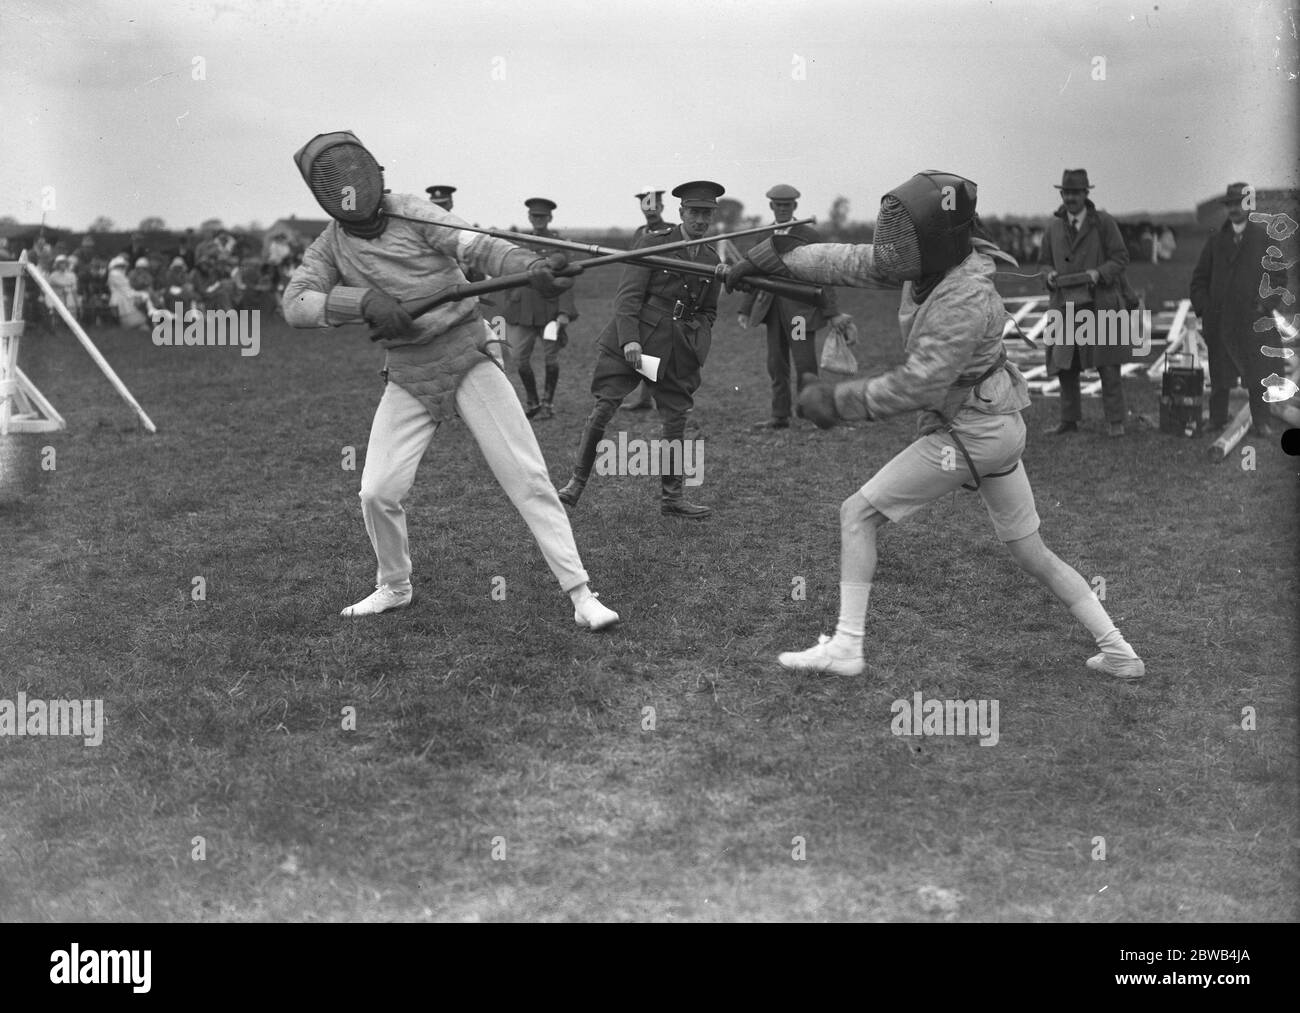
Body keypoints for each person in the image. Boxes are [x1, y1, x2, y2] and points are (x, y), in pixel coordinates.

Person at [725, 170, 1145, 681]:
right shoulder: (930, 259)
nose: (894, 254)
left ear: (933, 239)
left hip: (974, 431)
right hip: (998, 424)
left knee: (857, 514)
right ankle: (1120, 651)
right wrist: (774, 258)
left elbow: (918, 385)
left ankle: (846, 647)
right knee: (1032, 553)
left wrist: (837, 400)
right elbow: (854, 260)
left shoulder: (963, 296)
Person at [282, 130, 618, 628]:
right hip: (410, 372)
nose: (351, 190)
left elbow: (475, 246)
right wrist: (363, 303)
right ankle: (394, 586)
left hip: (467, 354)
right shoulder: (329, 247)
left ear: (378, 174)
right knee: (377, 491)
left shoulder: (414, 211)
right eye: (335, 186)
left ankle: (582, 595)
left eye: (357, 176)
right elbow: (295, 304)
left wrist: (530, 265)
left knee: (526, 477)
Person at [556, 181, 724, 519]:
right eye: (695, 213)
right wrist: (630, 340)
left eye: (707, 214)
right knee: (604, 408)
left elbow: (709, 311)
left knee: (676, 418)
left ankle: (672, 498)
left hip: (677, 348)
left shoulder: (711, 259)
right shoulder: (652, 244)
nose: (701, 220)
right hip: (635, 341)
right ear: (681, 213)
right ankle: (575, 484)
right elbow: (628, 297)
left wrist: (698, 339)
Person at [739, 184, 852, 429]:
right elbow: (751, 272)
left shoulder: (809, 236)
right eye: (778, 205)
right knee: (776, 364)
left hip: (800, 313)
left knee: (804, 364)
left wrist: (831, 312)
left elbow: (825, 274)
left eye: (786, 205)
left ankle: (810, 413)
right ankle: (780, 415)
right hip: (771, 311)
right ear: (771, 206)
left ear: (794, 207)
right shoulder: (763, 235)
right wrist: (745, 308)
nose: (781, 209)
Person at [1038, 169, 1132, 437]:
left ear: (1086, 194)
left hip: (1100, 302)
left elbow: (1121, 257)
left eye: (1076, 193)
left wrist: (1098, 273)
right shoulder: (1053, 228)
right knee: (1064, 364)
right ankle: (1069, 419)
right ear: (1061, 194)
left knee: (1108, 364)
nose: (1071, 198)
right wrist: (1049, 275)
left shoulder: (1103, 222)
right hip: (1065, 305)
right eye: (1067, 193)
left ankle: (1115, 421)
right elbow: (1043, 262)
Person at [1190, 182, 1277, 438]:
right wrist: (1205, 309)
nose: (1234, 210)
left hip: (1252, 321)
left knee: (1257, 375)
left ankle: (1262, 422)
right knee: (1219, 375)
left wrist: (1264, 307)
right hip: (1221, 322)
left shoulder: (1263, 238)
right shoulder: (1216, 241)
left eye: (1239, 204)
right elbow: (1198, 280)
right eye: (1229, 205)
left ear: (1248, 206)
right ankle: (1217, 419)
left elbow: (1279, 279)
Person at [501, 198, 579, 419]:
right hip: (522, 311)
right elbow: (508, 274)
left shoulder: (560, 244)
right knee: (519, 358)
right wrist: (512, 299)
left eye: (542, 217)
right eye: (534, 216)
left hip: (549, 311)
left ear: (550, 218)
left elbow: (568, 282)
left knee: (550, 359)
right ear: (528, 217)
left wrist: (564, 312)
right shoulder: (520, 243)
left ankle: (548, 403)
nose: (538, 220)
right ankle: (532, 401)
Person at [625, 188, 672, 412]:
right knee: (643, 347)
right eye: (646, 206)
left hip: (662, 298)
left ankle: (671, 398)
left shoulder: (671, 232)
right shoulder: (639, 232)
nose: (650, 210)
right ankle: (644, 397)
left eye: (654, 206)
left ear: (661, 207)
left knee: (666, 350)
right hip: (639, 297)